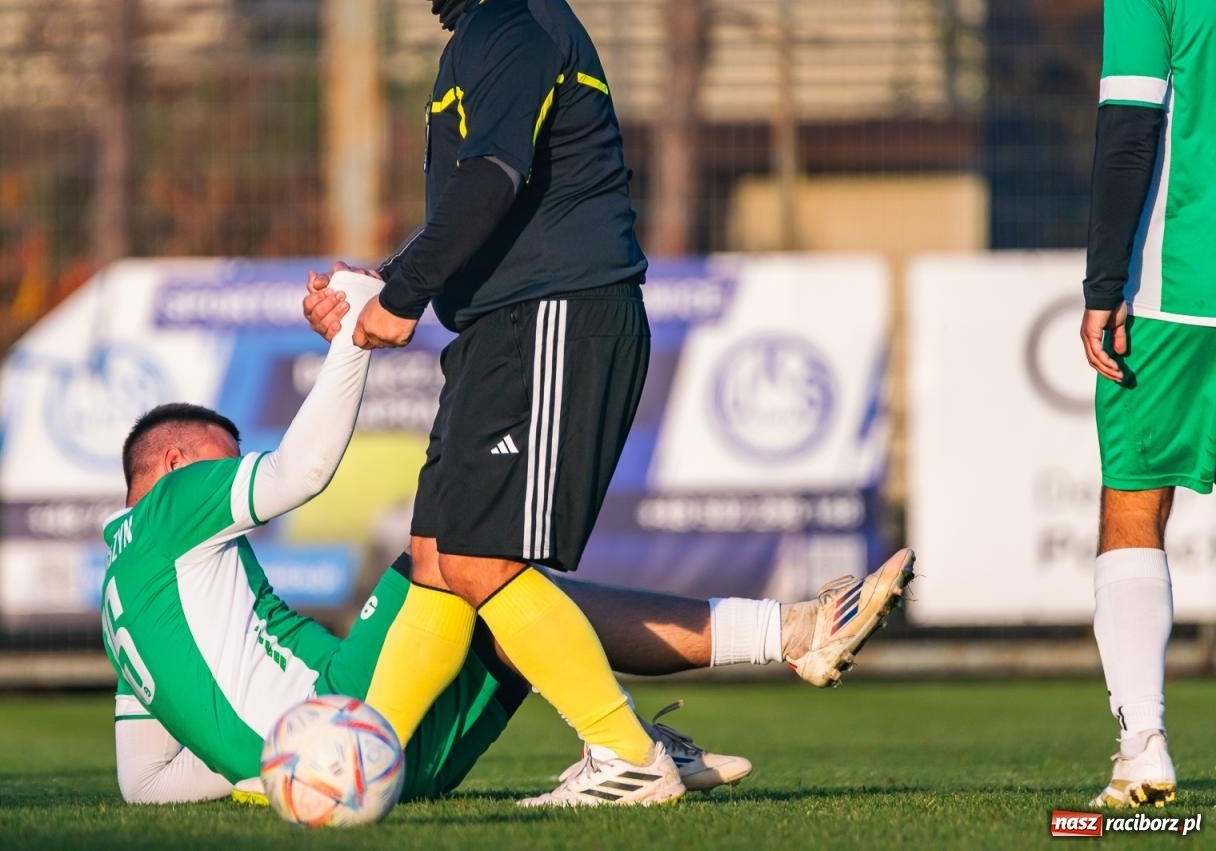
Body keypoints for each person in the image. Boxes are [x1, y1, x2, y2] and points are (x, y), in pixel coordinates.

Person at [305, 0, 915, 806]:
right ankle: (356, 758)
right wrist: (383, 281)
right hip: (505, 323)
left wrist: (402, 294)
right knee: (436, 565)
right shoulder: (486, 26)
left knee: (480, 562)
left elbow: (492, 182)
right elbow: (486, 200)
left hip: (551, 320)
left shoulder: (513, 20)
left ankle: (628, 754)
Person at [106, 271, 914, 806]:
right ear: (172, 465)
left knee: (501, 594)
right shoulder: (172, 504)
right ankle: (706, 689)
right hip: (349, 719)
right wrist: (352, 339)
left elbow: (144, 782)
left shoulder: (121, 607)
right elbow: (299, 471)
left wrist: (279, 772)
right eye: (221, 461)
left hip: (380, 774)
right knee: (456, 550)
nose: (231, 477)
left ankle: (657, 722)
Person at [1079, 0, 1216, 811]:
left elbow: (1129, 132)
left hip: (1176, 294)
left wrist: (1103, 286)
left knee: (1134, 506)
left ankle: (1145, 749)